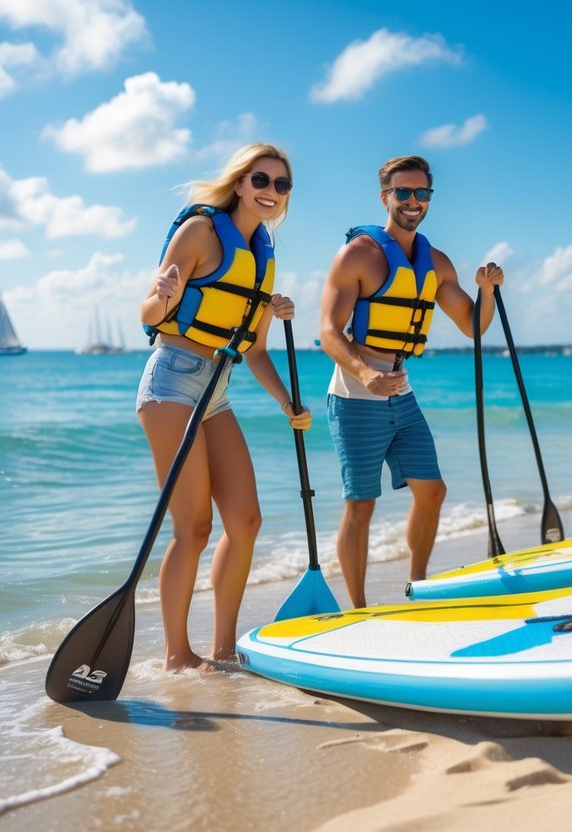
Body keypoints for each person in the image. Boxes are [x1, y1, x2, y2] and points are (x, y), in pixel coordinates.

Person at [137, 142, 312, 672]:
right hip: (171, 382)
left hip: (217, 389)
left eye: (282, 185)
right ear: (240, 183)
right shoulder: (201, 233)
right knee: (192, 528)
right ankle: (176, 654)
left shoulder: (264, 257)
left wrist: (287, 402)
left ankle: (221, 648)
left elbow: (255, 350)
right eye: (262, 180)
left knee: (246, 521)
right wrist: (164, 294)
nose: (271, 192)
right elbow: (149, 311)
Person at [320, 155, 504, 608]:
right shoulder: (357, 255)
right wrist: (365, 372)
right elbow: (327, 330)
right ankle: (358, 608)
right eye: (403, 192)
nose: (413, 201)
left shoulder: (436, 262)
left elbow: (473, 327)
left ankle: (416, 586)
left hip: (401, 391)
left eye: (422, 193)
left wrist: (488, 291)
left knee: (432, 490)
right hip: (354, 394)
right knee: (360, 505)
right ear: (385, 197)